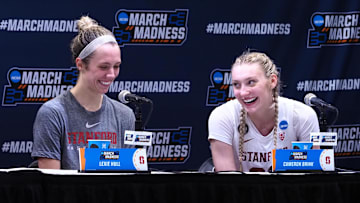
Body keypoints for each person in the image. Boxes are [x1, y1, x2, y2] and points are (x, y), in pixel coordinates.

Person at [31, 16, 135, 170]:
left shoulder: (125, 115)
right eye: (104, 67)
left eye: (116, 66)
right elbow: (50, 186)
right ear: (80, 64)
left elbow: (127, 180)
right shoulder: (53, 113)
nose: (112, 74)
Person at [208, 51, 320, 172]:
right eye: (237, 84)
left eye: (251, 82)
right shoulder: (222, 116)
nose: (243, 92)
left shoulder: (302, 115)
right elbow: (226, 183)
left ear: (272, 81)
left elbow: (310, 177)